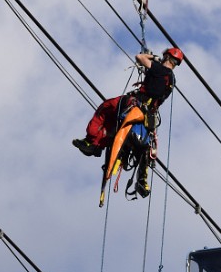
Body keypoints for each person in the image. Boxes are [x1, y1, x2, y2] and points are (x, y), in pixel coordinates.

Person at [73, 47, 184, 195]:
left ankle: (92, 142)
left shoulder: (159, 69)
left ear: (166, 57)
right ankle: (141, 179)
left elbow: (139, 57)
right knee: (141, 145)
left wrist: (153, 59)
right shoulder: (171, 80)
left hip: (136, 105)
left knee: (106, 107)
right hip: (148, 116)